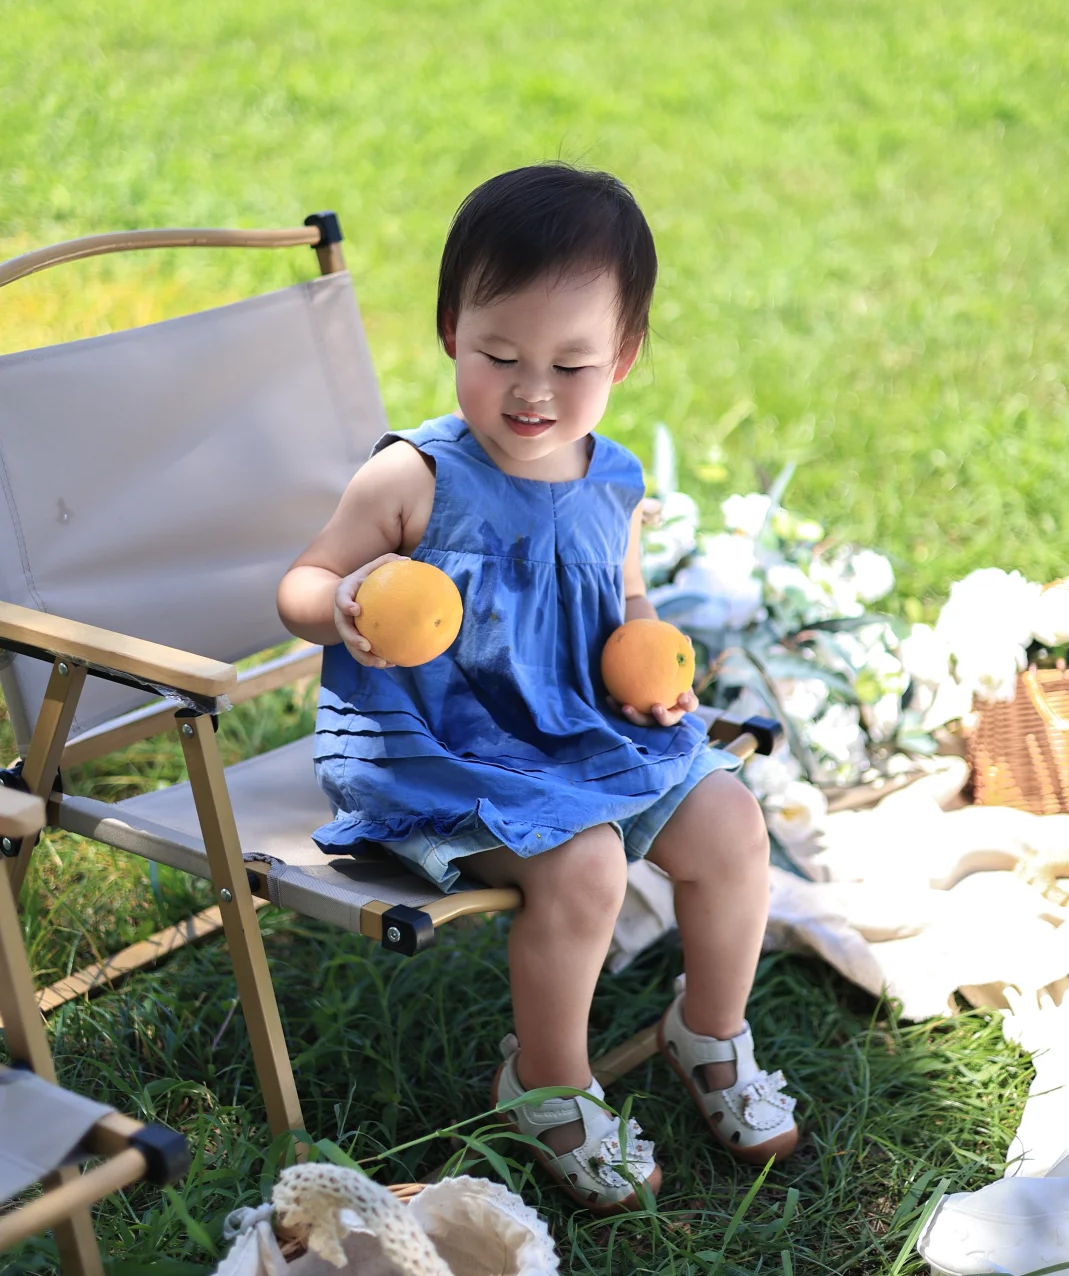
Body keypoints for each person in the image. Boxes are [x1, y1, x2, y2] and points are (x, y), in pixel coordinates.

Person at [277, 163, 798, 1213]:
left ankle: (710, 1029)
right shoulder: (415, 478)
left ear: (624, 357)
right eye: (500, 355)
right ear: (450, 333)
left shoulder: (614, 479)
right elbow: (302, 583)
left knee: (734, 823)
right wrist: (343, 604)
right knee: (588, 862)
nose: (532, 392)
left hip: (576, 723)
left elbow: (625, 598)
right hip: (442, 741)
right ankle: (547, 1084)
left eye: (571, 364)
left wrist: (647, 663)